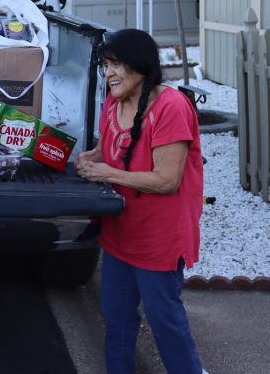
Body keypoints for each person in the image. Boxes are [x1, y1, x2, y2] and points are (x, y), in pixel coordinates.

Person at [75, 29, 206, 374]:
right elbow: (108, 151)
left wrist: (106, 174)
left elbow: (167, 180)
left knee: (166, 323)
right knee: (116, 319)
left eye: (117, 64)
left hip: (159, 238)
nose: (109, 74)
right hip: (121, 233)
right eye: (106, 66)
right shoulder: (114, 102)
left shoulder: (171, 107)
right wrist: (89, 159)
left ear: (141, 66)